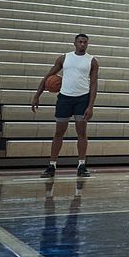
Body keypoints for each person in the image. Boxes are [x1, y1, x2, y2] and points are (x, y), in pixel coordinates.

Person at [32, 33, 98, 178]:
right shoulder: (64, 58)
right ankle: (52, 165)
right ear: (75, 43)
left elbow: (94, 84)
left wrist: (91, 105)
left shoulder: (92, 61)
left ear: (87, 44)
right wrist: (37, 95)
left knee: (82, 132)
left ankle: (82, 165)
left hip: (82, 98)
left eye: (85, 42)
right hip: (64, 98)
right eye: (80, 42)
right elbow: (48, 77)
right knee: (59, 132)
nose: (82, 44)